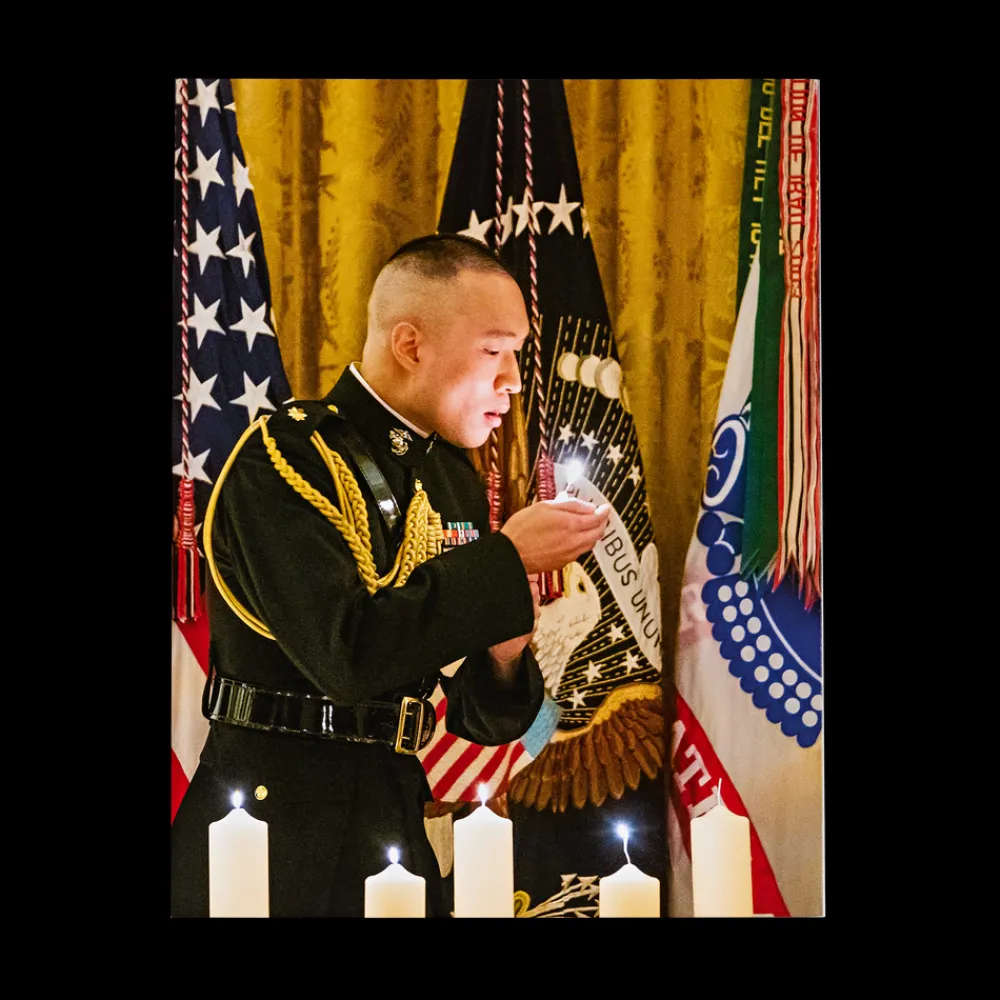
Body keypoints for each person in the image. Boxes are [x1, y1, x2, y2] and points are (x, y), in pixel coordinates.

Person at [170, 233, 611, 917]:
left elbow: (483, 720)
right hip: (270, 827)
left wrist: (504, 656)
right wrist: (506, 561)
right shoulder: (286, 459)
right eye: (494, 351)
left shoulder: (451, 480)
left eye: (516, 353)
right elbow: (344, 657)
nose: (514, 380)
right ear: (411, 345)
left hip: (391, 816)